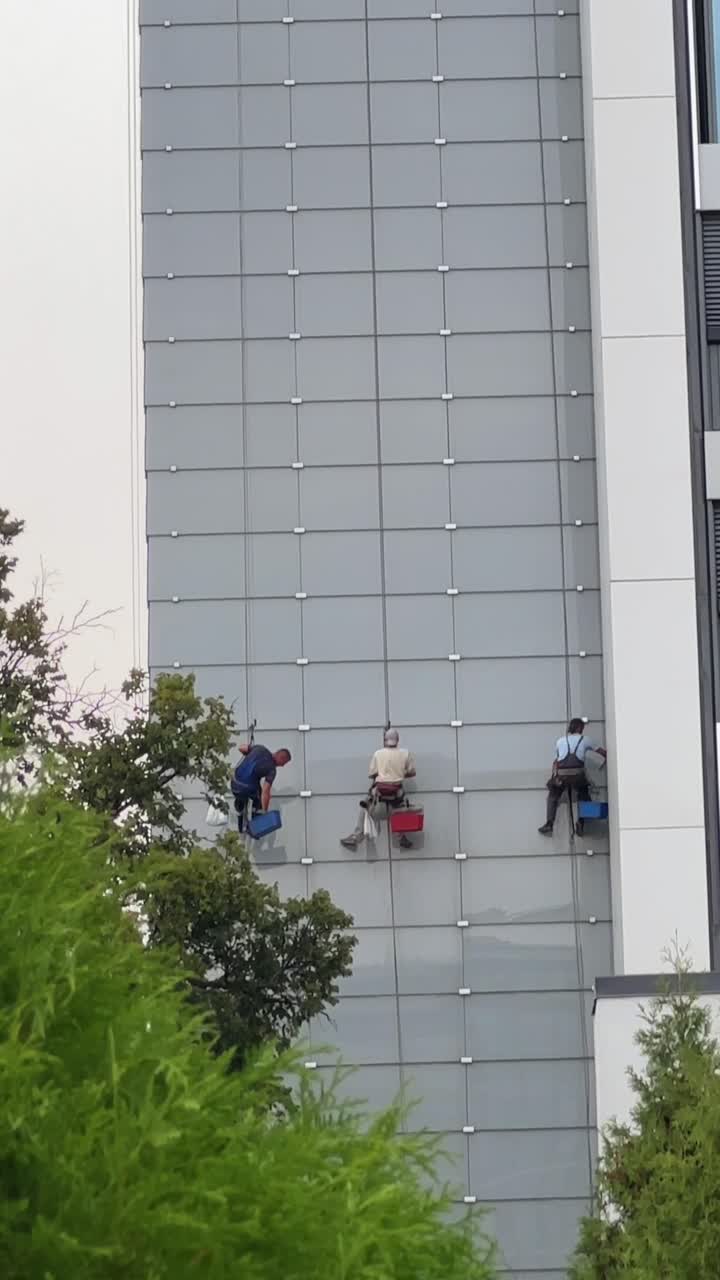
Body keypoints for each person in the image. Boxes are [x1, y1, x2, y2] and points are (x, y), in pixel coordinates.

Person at [340, 729, 416, 849]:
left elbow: (372, 774)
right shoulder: (405, 753)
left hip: (379, 794)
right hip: (396, 793)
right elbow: (412, 772)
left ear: (385, 740)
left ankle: (356, 837)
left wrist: (383, 773)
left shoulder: (378, 753)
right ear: (398, 740)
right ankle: (401, 837)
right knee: (401, 808)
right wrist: (399, 774)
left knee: (365, 807)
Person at [538, 718, 606, 837]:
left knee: (553, 796)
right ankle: (581, 822)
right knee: (584, 795)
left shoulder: (560, 741)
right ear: (579, 728)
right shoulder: (585, 739)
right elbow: (601, 752)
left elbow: (557, 761)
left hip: (562, 775)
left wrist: (554, 777)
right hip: (577, 776)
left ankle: (549, 823)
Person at [231, 742, 291, 833]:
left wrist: (249, 755)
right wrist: (264, 811)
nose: (282, 766)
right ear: (280, 757)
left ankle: (239, 812)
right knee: (258, 799)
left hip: (234, 783)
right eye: (284, 763)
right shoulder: (271, 770)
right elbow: (265, 792)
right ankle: (255, 827)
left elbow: (241, 748)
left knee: (242, 796)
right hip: (247, 788)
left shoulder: (259, 748)